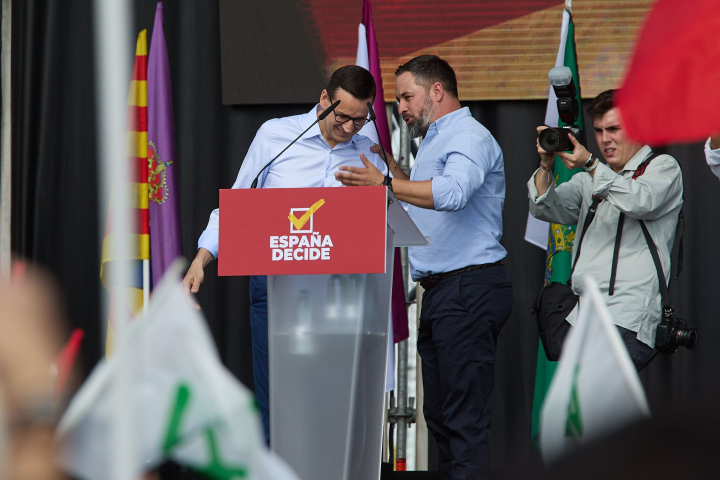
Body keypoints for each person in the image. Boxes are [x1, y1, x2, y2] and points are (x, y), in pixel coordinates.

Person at [181, 65, 386, 443]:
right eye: (342, 116)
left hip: (339, 292)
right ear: (324, 99)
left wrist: (385, 187)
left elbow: (387, 218)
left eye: (360, 120)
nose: (349, 128)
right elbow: (237, 205)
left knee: (330, 400)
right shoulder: (276, 136)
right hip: (276, 284)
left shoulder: (367, 151)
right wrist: (200, 260)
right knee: (275, 399)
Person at [335, 55, 513, 480]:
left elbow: (451, 194)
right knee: (441, 420)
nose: (400, 108)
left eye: (406, 97)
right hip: (442, 293)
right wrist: (391, 169)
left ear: (437, 90)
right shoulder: (435, 138)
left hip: (468, 288)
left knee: (464, 421)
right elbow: (424, 205)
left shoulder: (468, 135)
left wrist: (385, 183)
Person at [528, 89, 684, 369]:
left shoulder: (662, 167)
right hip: (582, 314)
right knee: (584, 397)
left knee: (600, 395)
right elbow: (545, 207)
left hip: (626, 315)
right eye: (598, 131)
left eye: (613, 129)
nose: (604, 139)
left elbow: (640, 201)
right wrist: (546, 165)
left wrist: (590, 164)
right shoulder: (589, 179)